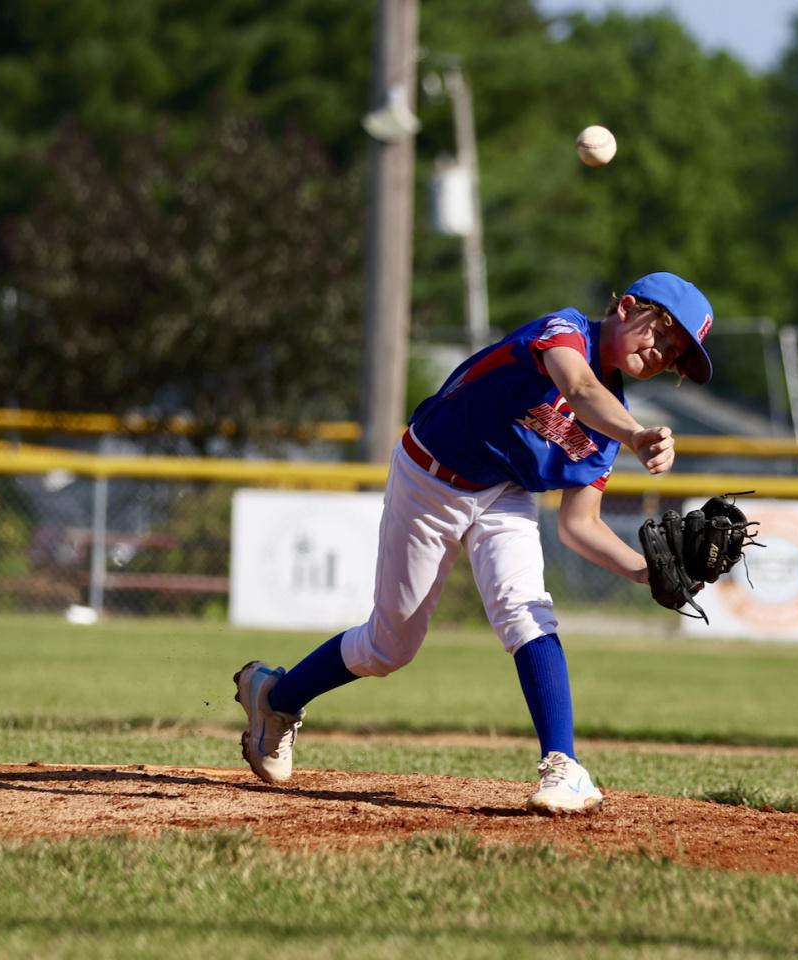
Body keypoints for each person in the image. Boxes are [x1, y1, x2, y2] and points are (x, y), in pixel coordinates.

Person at [234, 272, 715, 814]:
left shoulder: (607, 433)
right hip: (427, 478)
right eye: (663, 334)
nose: (662, 354)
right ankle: (277, 699)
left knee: (527, 611)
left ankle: (564, 765)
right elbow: (578, 389)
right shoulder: (564, 332)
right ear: (627, 307)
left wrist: (648, 572)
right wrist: (636, 434)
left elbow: (579, 525)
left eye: (673, 355)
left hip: (502, 494)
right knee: (388, 647)